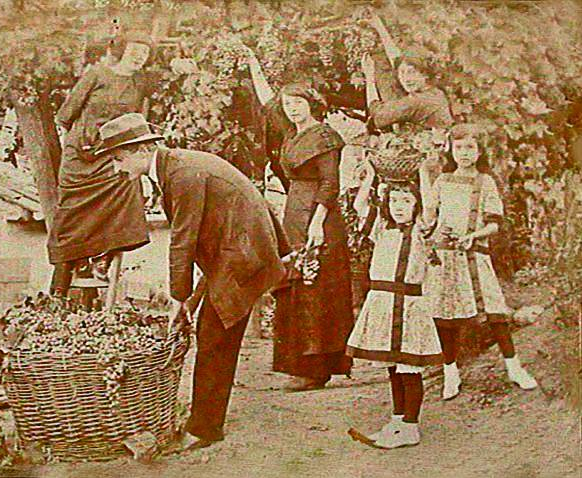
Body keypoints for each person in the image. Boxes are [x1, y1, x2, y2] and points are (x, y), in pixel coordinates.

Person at [95, 113, 289, 450]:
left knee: (215, 335)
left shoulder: (181, 173)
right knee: (213, 331)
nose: (116, 169)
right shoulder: (173, 167)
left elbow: (183, 240)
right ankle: (204, 420)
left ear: (142, 150)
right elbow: (200, 236)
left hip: (243, 251)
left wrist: (177, 298)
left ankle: (204, 428)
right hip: (233, 247)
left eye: (118, 159)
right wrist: (188, 299)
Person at [246, 51, 355, 391]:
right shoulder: (290, 135)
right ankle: (300, 364)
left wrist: (318, 222)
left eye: (298, 103)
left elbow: (330, 183)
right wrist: (253, 63)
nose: (292, 108)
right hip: (294, 213)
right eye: (288, 104)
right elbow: (268, 103)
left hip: (319, 216)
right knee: (295, 287)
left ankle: (316, 368)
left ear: (311, 103)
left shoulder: (325, 136)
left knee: (316, 289)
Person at [423, 123, 538, 400]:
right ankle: (451, 373)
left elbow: (494, 223)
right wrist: (423, 177)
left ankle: (514, 367)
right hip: (446, 258)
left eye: (470, 147)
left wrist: (473, 236)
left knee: (495, 313)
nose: (464, 153)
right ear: (451, 150)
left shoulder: (485, 182)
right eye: (459, 147)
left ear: (479, 151)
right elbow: (429, 217)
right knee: (446, 317)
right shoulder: (443, 181)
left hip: (475, 256)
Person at [49, 32, 156, 295]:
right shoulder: (96, 75)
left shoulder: (140, 83)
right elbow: (65, 116)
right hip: (79, 157)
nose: (139, 57)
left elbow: (136, 124)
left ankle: (102, 258)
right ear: (121, 50)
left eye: (144, 53)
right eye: (134, 50)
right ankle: (60, 289)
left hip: (111, 156)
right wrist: (80, 143)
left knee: (128, 189)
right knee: (71, 215)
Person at [346, 160, 442, 449]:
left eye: (406, 201)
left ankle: (411, 426)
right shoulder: (381, 228)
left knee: (409, 367)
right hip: (383, 304)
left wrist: (422, 172)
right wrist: (371, 175)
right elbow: (360, 205)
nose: (399, 207)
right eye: (395, 201)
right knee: (392, 366)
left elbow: (431, 207)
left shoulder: (421, 231)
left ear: (416, 204)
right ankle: (398, 420)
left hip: (409, 306)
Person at [362, 15, 453, 133]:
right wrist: (380, 27)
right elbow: (397, 61)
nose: (406, 79)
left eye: (412, 72)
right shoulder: (435, 92)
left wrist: (369, 78)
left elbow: (378, 114)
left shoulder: (417, 101)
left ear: (425, 74)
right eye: (402, 73)